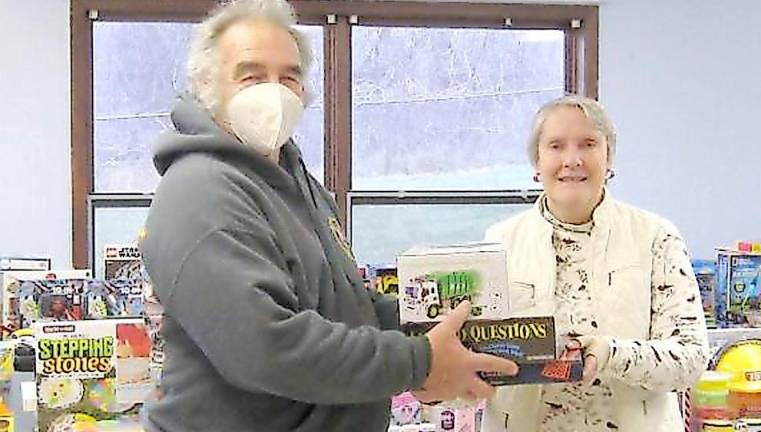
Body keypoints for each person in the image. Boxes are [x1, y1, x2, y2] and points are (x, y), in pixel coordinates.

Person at [138, 1, 519, 431]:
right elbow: (267, 348)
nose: (274, 91)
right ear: (207, 85)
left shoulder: (295, 181)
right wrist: (420, 361)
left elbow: (344, 307)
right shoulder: (202, 191)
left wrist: (444, 328)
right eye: (251, 76)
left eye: (289, 76)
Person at [481, 95, 709, 431]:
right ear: (537, 161)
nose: (572, 160)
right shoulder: (498, 243)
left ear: (608, 156)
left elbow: (690, 358)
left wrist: (610, 354)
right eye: (556, 146)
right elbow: (475, 362)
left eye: (588, 144)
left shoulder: (656, 237)